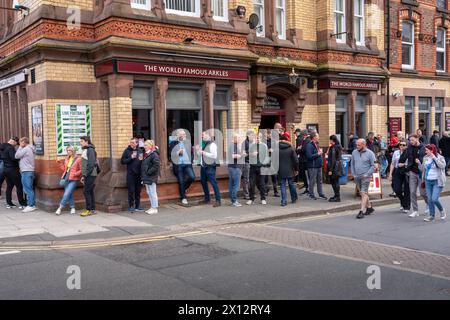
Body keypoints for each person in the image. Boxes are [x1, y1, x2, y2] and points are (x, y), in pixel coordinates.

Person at [418, 144, 447, 222]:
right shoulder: (425, 158)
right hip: (428, 181)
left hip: (437, 181)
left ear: (432, 150)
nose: (425, 151)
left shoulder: (440, 157)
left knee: (434, 199)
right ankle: (431, 215)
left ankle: (442, 210)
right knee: (430, 199)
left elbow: (442, 166)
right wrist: (419, 164)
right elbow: (422, 169)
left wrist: (434, 157)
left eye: (427, 150)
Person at [351, 139, 376, 219]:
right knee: (363, 193)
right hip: (357, 176)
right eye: (356, 145)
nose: (357, 146)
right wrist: (354, 174)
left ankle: (361, 211)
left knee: (363, 192)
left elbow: (373, 166)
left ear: (364, 145)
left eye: (359, 145)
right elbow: (352, 163)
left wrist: (366, 174)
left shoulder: (370, 153)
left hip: (366, 177)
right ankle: (369, 207)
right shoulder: (354, 152)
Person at [169, 129, 195, 206]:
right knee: (181, 181)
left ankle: (183, 189)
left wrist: (191, 160)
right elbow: (171, 154)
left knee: (192, 177)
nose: (184, 136)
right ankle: (183, 198)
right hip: (178, 164)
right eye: (182, 134)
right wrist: (178, 152)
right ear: (178, 135)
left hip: (187, 164)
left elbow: (192, 153)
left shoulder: (187, 142)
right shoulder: (173, 143)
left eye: (184, 134)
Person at [405, 134, 429, 218]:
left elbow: (427, 158)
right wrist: (406, 165)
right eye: (410, 140)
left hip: (421, 173)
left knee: (423, 193)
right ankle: (415, 211)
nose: (410, 142)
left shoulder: (424, 147)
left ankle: (428, 204)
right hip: (412, 172)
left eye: (412, 140)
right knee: (412, 192)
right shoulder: (409, 147)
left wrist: (420, 162)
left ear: (417, 139)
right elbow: (407, 156)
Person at [197, 130, 221, 207]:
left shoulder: (212, 144)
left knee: (213, 183)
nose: (202, 136)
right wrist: (198, 150)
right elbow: (199, 155)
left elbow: (214, 156)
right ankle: (207, 199)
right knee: (203, 182)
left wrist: (203, 152)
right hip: (203, 166)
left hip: (210, 167)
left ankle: (218, 200)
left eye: (203, 135)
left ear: (208, 135)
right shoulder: (204, 144)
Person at [0, 137, 26, 209]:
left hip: (6, 169)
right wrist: (20, 156)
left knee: (9, 186)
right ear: (13, 141)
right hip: (13, 170)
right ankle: (22, 203)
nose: (15, 146)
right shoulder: (10, 148)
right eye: (16, 144)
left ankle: (9, 203)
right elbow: (13, 158)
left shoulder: (2, 147)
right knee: (19, 186)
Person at [55, 146, 82, 215]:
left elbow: (82, 169)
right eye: (67, 150)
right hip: (66, 178)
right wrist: (60, 163)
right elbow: (65, 169)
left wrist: (75, 174)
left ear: (73, 151)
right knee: (69, 194)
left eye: (69, 150)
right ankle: (72, 208)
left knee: (67, 193)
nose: (68, 152)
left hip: (74, 179)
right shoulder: (67, 159)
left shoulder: (78, 159)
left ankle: (60, 208)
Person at [121, 138, 144, 213]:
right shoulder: (127, 151)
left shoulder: (140, 150)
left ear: (137, 143)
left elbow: (141, 160)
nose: (131, 144)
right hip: (130, 174)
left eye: (133, 143)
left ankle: (137, 206)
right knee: (131, 191)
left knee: (138, 191)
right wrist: (131, 158)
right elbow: (122, 161)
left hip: (139, 174)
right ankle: (131, 206)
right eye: (131, 142)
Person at [14, 137, 37, 212]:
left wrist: (20, 147)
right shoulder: (30, 148)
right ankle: (31, 204)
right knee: (29, 188)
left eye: (21, 142)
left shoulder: (26, 149)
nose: (20, 144)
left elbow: (16, 156)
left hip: (26, 171)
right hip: (29, 171)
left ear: (24, 142)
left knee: (28, 189)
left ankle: (31, 205)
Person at [247, 132, 269, 205]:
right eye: (256, 137)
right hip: (253, 167)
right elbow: (247, 156)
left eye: (259, 137)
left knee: (261, 183)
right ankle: (251, 198)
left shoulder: (264, 146)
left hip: (261, 167)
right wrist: (252, 154)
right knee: (251, 183)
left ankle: (263, 198)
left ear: (261, 138)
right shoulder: (251, 146)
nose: (257, 139)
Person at [389, 140, 410, 213]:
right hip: (397, 171)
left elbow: (411, 162)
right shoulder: (396, 152)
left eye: (404, 145)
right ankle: (403, 201)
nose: (401, 146)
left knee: (407, 190)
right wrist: (390, 174)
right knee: (396, 189)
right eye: (400, 145)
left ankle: (406, 206)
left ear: (406, 146)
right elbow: (392, 163)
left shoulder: (408, 152)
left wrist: (404, 164)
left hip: (406, 172)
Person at [278, 135, 298, 206]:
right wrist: (296, 169)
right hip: (290, 169)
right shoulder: (291, 148)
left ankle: (283, 201)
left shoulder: (276, 149)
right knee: (291, 184)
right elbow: (296, 161)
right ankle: (294, 198)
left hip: (280, 170)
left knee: (282, 185)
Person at [79, 136, 98, 217]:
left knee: (86, 191)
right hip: (89, 174)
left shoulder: (90, 150)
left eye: (82, 141)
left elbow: (91, 164)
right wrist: (84, 175)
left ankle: (88, 210)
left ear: (86, 141)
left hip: (90, 174)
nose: (80, 143)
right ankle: (92, 209)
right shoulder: (87, 149)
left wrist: (85, 175)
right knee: (90, 191)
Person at [305, 132, 326, 200]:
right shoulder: (309, 145)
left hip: (318, 165)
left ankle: (320, 193)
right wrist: (318, 154)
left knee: (320, 180)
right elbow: (309, 156)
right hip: (312, 166)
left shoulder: (316, 144)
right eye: (317, 136)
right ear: (314, 137)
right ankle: (311, 194)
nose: (319, 137)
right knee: (312, 181)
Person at [141, 140, 160, 215]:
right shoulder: (146, 154)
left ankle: (155, 208)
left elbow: (156, 165)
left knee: (152, 192)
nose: (144, 146)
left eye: (146, 145)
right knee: (149, 192)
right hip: (146, 176)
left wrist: (148, 172)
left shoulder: (154, 154)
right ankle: (152, 207)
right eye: (144, 145)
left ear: (150, 146)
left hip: (151, 176)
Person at [228, 133, 244, 207]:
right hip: (235, 167)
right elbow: (234, 156)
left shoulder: (234, 145)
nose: (239, 139)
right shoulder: (233, 146)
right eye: (238, 138)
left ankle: (233, 200)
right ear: (234, 138)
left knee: (232, 185)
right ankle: (234, 201)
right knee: (236, 185)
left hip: (232, 167)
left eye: (239, 138)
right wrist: (241, 155)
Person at [327, 135, 343, 202]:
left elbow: (333, 159)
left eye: (330, 140)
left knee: (334, 182)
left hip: (334, 167)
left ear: (332, 140)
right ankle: (336, 195)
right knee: (335, 181)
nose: (329, 141)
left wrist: (330, 170)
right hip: (338, 166)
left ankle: (337, 197)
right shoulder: (338, 147)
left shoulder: (334, 148)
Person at [264, 129, 279, 197]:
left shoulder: (274, 142)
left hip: (273, 161)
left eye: (270, 134)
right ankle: (266, 191)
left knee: (274, 177)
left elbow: (277, 150)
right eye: (268, 133)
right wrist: (267, 150)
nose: (269, 135)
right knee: (266, 177)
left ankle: (276, 191)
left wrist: (274, 150)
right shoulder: (264, 142)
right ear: (266, 134)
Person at [241, 130, 254, 200]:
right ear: (248, 135)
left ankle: (251, 193)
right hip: (246, 163)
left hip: (252, 163)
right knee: (246, 179)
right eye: (252, 135)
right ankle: (246, 194)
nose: (253, 137)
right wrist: (251, 153)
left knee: (251, 179)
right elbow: (243, 154)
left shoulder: (252, 143)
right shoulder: (244, 143)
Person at [297, 130, 310, 194]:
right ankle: (307, 188)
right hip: (303, 160)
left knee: (306, 175)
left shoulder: (307, 140)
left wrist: (299, 149)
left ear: (304, 135)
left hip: (305, 161)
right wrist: (299, 148)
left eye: (301, 135)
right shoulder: (304, 140)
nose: (301, 137)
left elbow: (303, 149)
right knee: (304, 175)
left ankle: (308, 189)